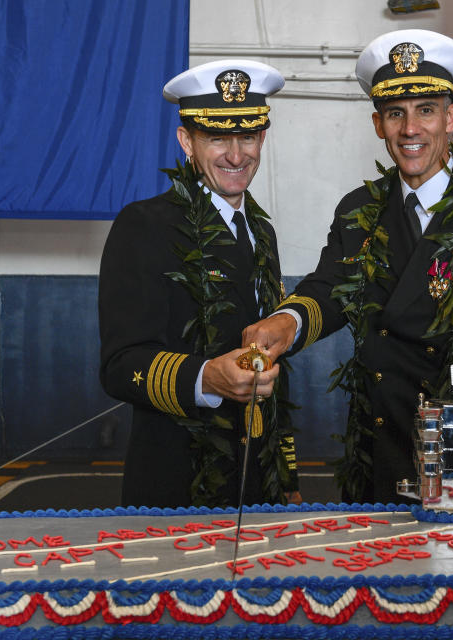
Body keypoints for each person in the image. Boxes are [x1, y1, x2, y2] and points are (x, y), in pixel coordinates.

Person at [243, 30, 453, 504]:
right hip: (383, 448)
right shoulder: (358, 211)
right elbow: (331, 286)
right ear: (379, 124)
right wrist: (286, 322)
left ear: (451, 117)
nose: (410, 129)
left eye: (426, 110)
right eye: (396, 113)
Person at [99, 60, 297, 509]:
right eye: (217, 137)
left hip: (259, 487)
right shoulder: (144, 226)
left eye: (247, 136)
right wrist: (207, 377)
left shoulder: (259, 232)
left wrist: (286, 472)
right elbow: (118, 365)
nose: (235, 154)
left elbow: (277, 368)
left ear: (262, 138)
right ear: (187, 140)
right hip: (174, 485)